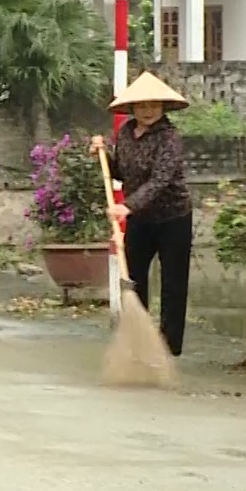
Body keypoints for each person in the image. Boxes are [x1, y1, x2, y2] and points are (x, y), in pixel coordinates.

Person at [91, 71, 194, 357]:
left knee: (173, 282)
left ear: (162, 107)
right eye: (142, 105)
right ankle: (138, 336)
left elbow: (160, 181)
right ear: (133, 107)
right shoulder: (124, 133)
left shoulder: (169, 138)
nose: (148, 111)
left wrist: (127, 206)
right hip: (141, 218)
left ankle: (169, 345)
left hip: (173, 217)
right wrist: (102, 156)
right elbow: (122, 173)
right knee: (133, 276)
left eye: (154, 105)